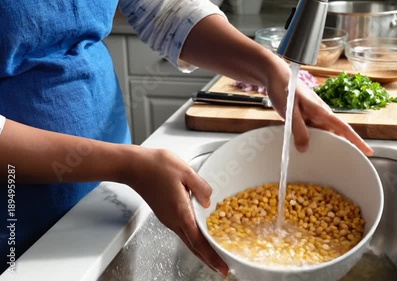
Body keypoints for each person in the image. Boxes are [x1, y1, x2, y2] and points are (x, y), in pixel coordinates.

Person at [0, 0, 372, 276]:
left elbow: (160, 7)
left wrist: (267, 67)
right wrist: (127, 164)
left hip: (112, 187)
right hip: (17, 214)